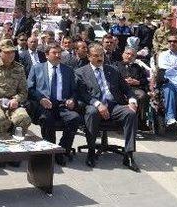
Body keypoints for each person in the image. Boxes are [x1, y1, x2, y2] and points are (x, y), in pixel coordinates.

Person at [75, 44, 139, 172]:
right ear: (88, 57)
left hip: (114, 105)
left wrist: (132, 100)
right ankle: (91, 151)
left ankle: (129, 155)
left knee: (130, 113)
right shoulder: (81, 72)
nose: (100, 58)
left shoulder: (112, 70)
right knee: (92, 113)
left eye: (102, 55)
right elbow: (82, 94)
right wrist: (98, 104)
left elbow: (126, 88)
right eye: (96, 56)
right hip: (94, 106)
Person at [27, 43, 81, 166]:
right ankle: (50, 150)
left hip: (62, 105)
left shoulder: (67, 70)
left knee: (75, 118)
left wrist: (72, 99)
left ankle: (61, 150)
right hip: (46, 104)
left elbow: (74, 91)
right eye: (54, 53)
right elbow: (30, 89)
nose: (58, 55)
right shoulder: (37, 68)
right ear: (46, 55)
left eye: (59, 53)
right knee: (47, 119)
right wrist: (40, 99)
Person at [114, 47, 149, 128]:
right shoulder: (116, 65)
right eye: (127, 54)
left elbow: (145, 80)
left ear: (135, 57)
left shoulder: (137, 67)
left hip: (134, 89)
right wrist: (123, 81)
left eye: (132, 55)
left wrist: (138, 82)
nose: (129, 56)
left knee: (143, 95)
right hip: (120, 89)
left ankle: (140, 120)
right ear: (123, 54)